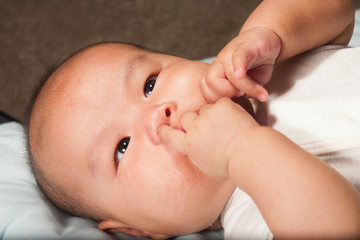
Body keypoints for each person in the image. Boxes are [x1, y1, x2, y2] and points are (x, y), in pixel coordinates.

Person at [25, 0, 357, 239]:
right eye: (122, 148)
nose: (159, 113)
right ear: (141, 230)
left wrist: (269, 31)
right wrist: (240, 149)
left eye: (149, 84)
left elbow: (339, 11)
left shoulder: (272, 67)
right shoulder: (254, 216)